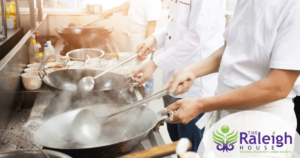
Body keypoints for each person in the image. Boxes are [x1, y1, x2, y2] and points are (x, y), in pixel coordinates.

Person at [160, 0, 300, 134]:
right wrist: (192, 70)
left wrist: (202, 104)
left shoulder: (294, 6)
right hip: (227, 114)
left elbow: (278, 86)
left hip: (262, 123)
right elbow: (232, 49)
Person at [133, 0, 225, 152]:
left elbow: (195, 38)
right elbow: (175, 26)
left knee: (189, 147)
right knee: (176, 139)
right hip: (173, 78)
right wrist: (153, 39)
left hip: (193, 85)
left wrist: (155, 63)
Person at [100, 0, 161, 101]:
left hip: (144, 40)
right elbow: (128, 4)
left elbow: (152, 25)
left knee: (144, 73)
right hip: (134, 39)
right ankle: (137, 100)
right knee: (135, 72)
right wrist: (111, 10)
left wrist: (145, 49)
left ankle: (144, 104)